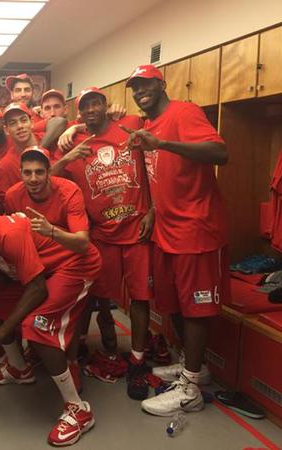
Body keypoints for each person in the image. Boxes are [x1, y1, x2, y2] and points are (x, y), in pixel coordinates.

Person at [0, 191, 101, 447]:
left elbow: (37, 289)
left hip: (75, 266)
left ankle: (79, 410)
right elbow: (11, 276)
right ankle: (19, 368)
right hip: (46, 272)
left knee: (36, 327)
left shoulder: (8, 233)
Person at [122, 64, 229, 416]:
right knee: (175, 305)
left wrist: (164, 143)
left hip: (196, 229)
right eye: (135, 88)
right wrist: (153, 211)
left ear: (162, 84)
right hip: (166, 229)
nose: (140, 92)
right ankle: (192, 366)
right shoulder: (148, 125)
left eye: (145, 85)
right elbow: (163, 177)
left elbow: (220, 153)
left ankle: (190, 389)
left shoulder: (185, 112)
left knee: (196, 308)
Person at [52, 87, 153, 398]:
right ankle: (77, 352)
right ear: (79, 112)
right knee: (88, 297)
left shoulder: (131, 124)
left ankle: (137, 360)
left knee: (140, 298)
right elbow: (48, 176)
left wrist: (154, 209)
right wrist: (68, 151)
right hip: (102, 235)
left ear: (106, 105)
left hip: (137, 231)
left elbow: (157, 165)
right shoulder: (74, 143)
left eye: (96, 103)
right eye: (86, 106)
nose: (91, 109)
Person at [2, 146, 96, 388]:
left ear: (49, 173)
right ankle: (34, 356)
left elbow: (82, 243)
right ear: (21, 173)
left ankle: (71, 362)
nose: (33, 178)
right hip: (40, 263)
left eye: (39, 172)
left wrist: (50, 231)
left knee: (61, 313)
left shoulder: (68, 190)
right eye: (27, 172)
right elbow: (14, 234)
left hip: (73, 262)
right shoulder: (13, 195)